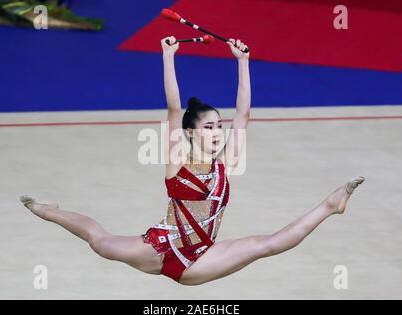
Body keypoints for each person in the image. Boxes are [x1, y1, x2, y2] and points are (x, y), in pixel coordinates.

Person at [20, 36, 365, 286]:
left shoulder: (225, 162)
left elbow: (244, 113)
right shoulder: (176, 161)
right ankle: (46, 209)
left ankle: (331, 204)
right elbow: (173, 108)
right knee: (99, 241)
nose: (218, 132)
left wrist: (242, 62)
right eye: (210, 127)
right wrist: (168, 55)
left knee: (267, 245)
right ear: (191, 132)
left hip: (200, 258)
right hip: (159, 249)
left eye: (220, 126)